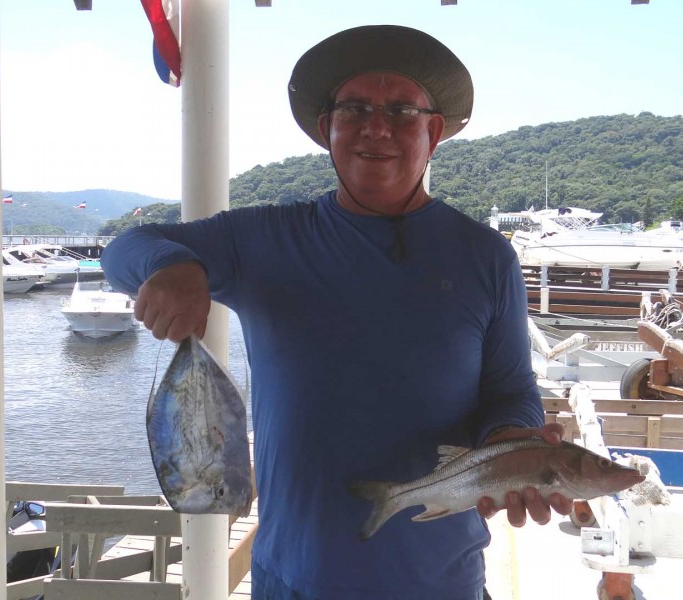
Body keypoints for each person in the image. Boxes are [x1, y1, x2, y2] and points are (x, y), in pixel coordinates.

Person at [102, 24, 572, 600]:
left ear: (433, 132)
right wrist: (173, 266)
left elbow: (510, 389)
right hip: (294, 577)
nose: (377, 126)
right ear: (328, 128)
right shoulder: (266, 240)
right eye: (354, 109)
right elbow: (123, 249)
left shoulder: (485, 255)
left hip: (440, 579)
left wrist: (514, 443)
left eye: (402, 111)